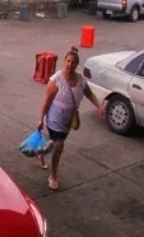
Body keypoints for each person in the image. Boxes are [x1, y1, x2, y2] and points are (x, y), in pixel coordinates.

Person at [37, 47, 105, 191]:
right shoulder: (56, 80)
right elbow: (47, 101)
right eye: (68, 61)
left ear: (77, 64)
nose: (70, 64)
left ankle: (41, 153)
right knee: (59, 145)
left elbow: (89, 94)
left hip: (68, 121)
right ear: (64, 62)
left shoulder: (81, 80)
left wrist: (100, 106)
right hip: (54, 119)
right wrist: (41, 119)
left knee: (54, 142)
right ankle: (53, 176)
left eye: (73, 62)